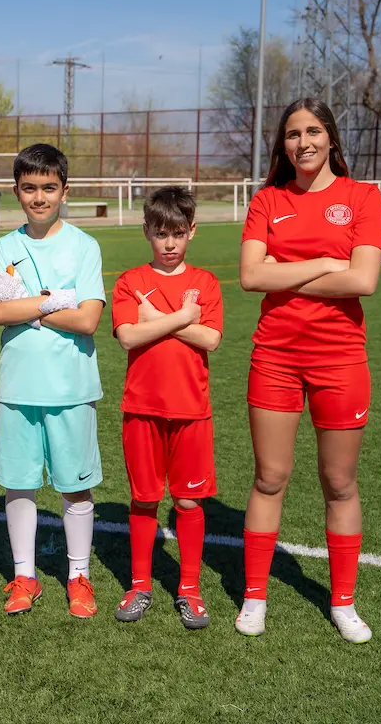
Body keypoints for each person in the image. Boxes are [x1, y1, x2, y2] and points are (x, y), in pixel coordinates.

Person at [235, 98, 381, 643]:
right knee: (270, 477)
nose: (303, 142)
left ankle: (342, 602)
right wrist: (326, 264)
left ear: (331, 138)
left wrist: (285, 273)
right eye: (293, 134)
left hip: (341, 359)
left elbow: (363, 281)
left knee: (339, 482)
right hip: (274, 356)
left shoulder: (363, 197)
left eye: (314, 130)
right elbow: (250, 278)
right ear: (283, 145)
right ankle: (255, 596)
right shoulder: (267, 200)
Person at [0, 143, 106, 618]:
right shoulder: (5, 246)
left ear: (64, 191)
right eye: (29, 188)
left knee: (75, 488)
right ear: (16, 191)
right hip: (17, 386)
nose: (39, 197)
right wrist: (57, 301)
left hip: (71, 386)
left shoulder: (84, 246)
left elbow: (88, 321)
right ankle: (24, 576)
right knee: (19, 484)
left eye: (48, 188)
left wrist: (30, 306)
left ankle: (79, 577)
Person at [111, 185, 223, 628]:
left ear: (192, 231)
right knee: (143, 499)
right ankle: (139, 585)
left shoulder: (206, 282)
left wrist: (155, 319)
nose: (170, 243)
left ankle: (189, 589)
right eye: (161, 234)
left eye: (178, 233)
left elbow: (211, 338)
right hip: (142, 408)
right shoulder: (130, 281)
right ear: (147, 233)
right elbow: (127, 336)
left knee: (190, 503)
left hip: (192, 411)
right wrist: (180, 318)